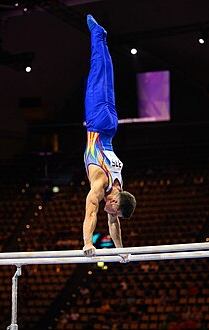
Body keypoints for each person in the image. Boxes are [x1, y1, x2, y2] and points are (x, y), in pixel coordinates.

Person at [83, 15, 136, 259]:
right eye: (114, 213)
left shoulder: (119, 189)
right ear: (115, 203)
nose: (112, 217)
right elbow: (91, 213)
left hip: (111, 125)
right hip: (96, 122)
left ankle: (101, 38)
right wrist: (87, 244)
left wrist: (120, 251)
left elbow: (114, 224)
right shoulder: (101, 185)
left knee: (106, 75)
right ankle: (97, 35)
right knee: (97, 71)